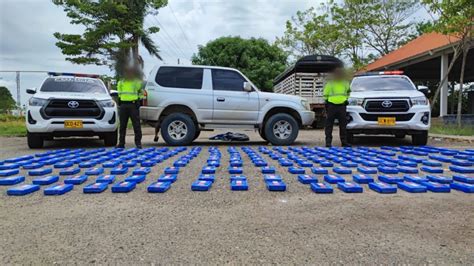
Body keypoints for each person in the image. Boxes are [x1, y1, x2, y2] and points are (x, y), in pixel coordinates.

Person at [323, 67, 351, 147]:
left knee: (343, 125)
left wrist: (346, 99)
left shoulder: (345, 83)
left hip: (342, 106)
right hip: (331, 106)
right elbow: (325, 94)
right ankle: (328, 142)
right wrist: (327, 102)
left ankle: (344, 142)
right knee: (329, 125)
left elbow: (349, 92)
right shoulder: (330, 83)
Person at [116, 67, 143, 149]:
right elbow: (119, 93)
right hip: (123, 105)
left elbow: (139, 89)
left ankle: (138, 143)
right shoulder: (121, 82)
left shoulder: (135, 81)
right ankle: (121, 143)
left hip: (133, 104)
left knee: (136, 125)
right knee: (122, 126)